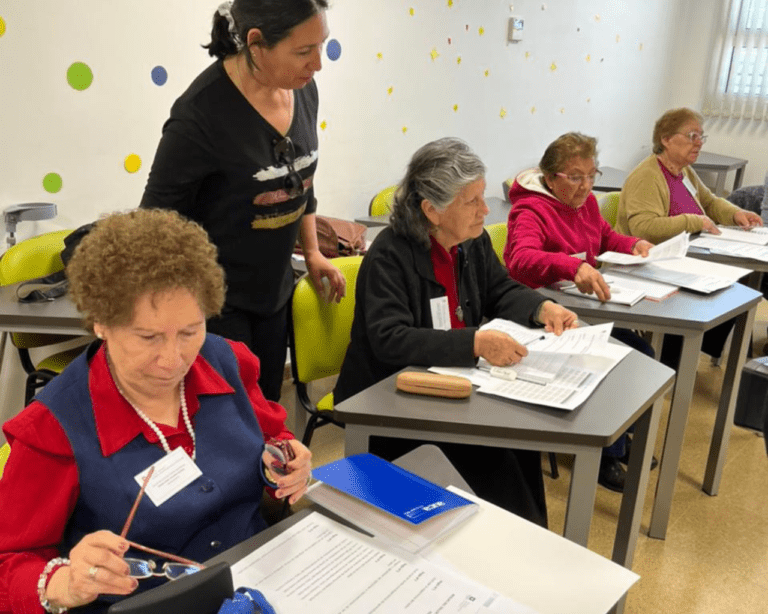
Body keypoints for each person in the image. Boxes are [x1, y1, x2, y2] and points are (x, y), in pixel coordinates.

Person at [0, 209, 312, 614]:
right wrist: (64, 582)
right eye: (147, 337)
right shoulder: (55, 426)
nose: (173, 359)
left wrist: (286, 462)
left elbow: (272, 439)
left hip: (259, 580)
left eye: (189, 331)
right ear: (100, 323)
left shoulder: (227, 362)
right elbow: (9, 562)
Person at [334, 138, 579, 527]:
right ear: (431, 210)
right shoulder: (389, 256)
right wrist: (476, 343)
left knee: (523, 442)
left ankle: (527, 538)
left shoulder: (472, 242)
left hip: (454, 387)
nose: (486, 210)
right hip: (391, 401)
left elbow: (499, 288)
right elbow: (390, 338)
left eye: (483, 197)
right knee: (495, 458)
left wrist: (539, 307)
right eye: (472, 201)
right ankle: (508, 542)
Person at [140, 0, 345, 402]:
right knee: (229, 423)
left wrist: (315, 251)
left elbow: (302, 179)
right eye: (304, 51)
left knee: (266, 410)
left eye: (322, 45)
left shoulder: (302, 91)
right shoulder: (199, 117)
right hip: (215, 304)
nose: (317, 64)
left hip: (274, 291)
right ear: (256, 43)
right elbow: (154, 225)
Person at [504, 132, 656, 492]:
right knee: (614, 359)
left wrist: (634, 243)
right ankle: (607, 456)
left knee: (642, 353)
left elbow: (604, 238)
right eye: (575, 177)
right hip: (538, 316)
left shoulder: (586, 203)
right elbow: (520, 259)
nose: (585, 185)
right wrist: (570, 267)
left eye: (592, 175)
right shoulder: (530, 209)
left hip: (577, 311)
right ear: (550, 176)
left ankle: (619, 434)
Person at [616, 107, 763, 365]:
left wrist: (736, 213)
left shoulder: (683, 171)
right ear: (665, 139)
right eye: (692, 135)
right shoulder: (647, 175)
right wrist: (694, 221)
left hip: (686, 254)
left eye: (701, 137)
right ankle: (673, 362)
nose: (699, 143)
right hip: (650, 261)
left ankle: (699, 348)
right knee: (710, 291)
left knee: (737, 284)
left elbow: (710, 201)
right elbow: (644, 228)